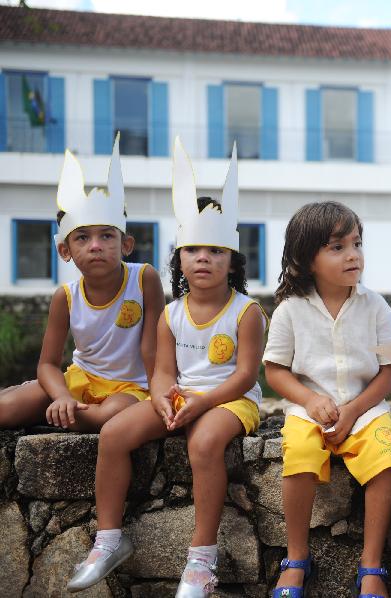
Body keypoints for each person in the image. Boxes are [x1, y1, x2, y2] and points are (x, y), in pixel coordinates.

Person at [67, 139, 267, 597]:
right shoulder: (171, 314)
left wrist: (200, 403)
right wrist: (161, 396)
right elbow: (160, 370)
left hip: (229, 401)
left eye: (215, 251)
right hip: (181, 396)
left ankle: (201, 560)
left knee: (205, 441)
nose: (204, 258)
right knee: (115, 433)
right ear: (179, 257)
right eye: (193, 249)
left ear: (232, 260)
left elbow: (245, 376)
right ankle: (108, 540)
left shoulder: (246, 311)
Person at [263, 201, 391, 598]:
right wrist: (309, 400)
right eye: (337, 247)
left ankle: (372, 565)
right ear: (307, 259)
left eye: (356, 243)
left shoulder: (375, 305)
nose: (352, 255)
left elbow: (389, 370)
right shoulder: (290, 309)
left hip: (366, 409)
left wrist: (355, 410)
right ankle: (296, 558)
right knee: (299, 456)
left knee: (387, 458)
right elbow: (275, 371)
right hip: (310, 412)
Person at [0, 137, 164, 431]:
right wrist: (61, 396)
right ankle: (51, 408)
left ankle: (49, 414)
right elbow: (48, 364)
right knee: (6, 410)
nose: (96, 246)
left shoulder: (144, 279)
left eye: (106, 236)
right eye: (82, 237)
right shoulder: (66, 297)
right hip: (79, 379)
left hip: (129, 387)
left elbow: (153, 349)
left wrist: (158, 396)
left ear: (126, 244)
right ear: (65, 251)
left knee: (103, 418)